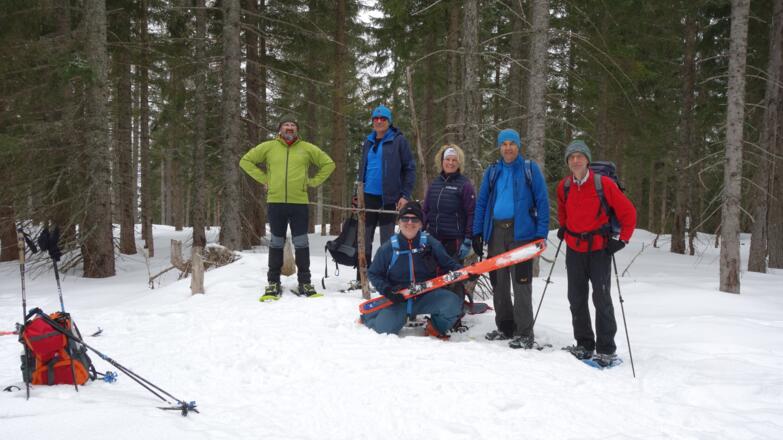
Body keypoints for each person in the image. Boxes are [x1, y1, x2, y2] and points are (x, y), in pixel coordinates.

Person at [557, 140, 636, 367]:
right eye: (571, 157)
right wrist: (564, 227)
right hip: (574, 250)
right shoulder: (564, 186)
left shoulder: (603, 184)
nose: (575, 160)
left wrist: (622, 240)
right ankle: (584, 344)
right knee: (576, 298)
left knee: (601, 299)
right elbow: (563, 209)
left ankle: (606, 349)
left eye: (579, 156)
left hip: (599, 250)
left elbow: (628, 212)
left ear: (587, 160)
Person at [239, 114, 335, 300]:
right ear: (280, 129)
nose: (289, 127)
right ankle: (273, 283)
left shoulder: (307, 148)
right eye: (286, 124)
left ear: (296, 129)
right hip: (276, 202)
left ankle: (304, 283)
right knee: (276, 242)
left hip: (299, 202)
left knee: (301, 243)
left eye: (293, 125)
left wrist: (313, 182)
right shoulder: (269, 147)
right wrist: (265, 179)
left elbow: (328, 164)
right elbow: (245, 161)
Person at [472, 129, 550, 349]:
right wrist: (477, 232)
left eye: (512, 143)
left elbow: (542, 201)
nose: (508, 148)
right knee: (499, 282)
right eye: (504, 144)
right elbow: (482, 202)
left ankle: (525, 332)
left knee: (521, 282)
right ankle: (505, 327)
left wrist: (541, 234)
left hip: (522, 233)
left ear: (518, 146)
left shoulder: (529, 169)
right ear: (500, 147)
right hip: (496, 232)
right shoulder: (493, 171)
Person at [362, 201, 465, 339]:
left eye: (414, 219)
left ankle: (435, 327)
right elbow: (374, 273)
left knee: (452, 303)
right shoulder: (389, 247)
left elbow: (448, 263)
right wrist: (387, 290)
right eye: (405, 218)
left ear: (421, 223)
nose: (410, 223)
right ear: (399, 222)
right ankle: (372, 317)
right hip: (399, 299)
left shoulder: (430, 242)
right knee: (383, 331)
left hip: (426, 295)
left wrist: (465, 273)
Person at [355, 105, 416, 281]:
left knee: (387, 241)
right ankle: (362, 278)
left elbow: (409, 168)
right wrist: (357, 194)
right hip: (367, 197)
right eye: (376, 119)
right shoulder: (368, 141)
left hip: (389, 197)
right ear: (372, 121)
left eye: (383, 119)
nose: (379, 122)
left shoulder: (398, 140)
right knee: (364, 239)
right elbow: (363, 168)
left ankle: (385, 277)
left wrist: (405, 195)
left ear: (389, 122)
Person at [422, 144, 476, 302]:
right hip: (434, 238)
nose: (450, 163)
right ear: (442, 161)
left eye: (454, 160)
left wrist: (468, 238)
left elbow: (472, 212)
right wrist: (422, 229)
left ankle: (455, 316)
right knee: (434, 275)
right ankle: (436, 311)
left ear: (459, 163)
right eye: (447, 159)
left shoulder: (464, 185)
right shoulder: (435, 184)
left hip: (455, 239)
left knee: (453, 276)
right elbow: (426, 210)